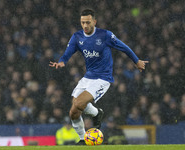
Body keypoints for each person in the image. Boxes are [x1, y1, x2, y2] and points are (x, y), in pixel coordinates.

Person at [49, 9, 148, 145]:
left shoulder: (105, 35)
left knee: (79, 103)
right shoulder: (77, 37)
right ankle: (83, 139)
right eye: (82, 22)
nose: (85, 25)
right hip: (88, 77)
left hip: (102, 79)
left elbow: (123, 47)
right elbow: (68, 52)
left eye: (88, 22)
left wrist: (137, 61)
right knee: (73, 111)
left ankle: (96, 114)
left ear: (94, 22)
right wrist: (61, 62)